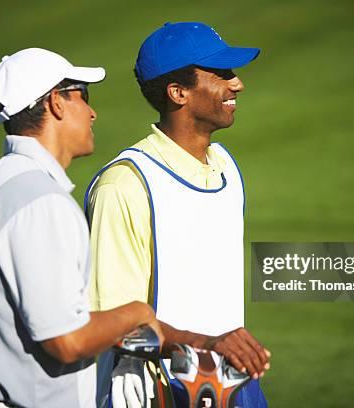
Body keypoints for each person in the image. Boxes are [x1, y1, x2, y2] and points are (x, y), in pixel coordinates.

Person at [0, 48, 162, 408]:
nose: (93, 112)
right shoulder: (42, 201)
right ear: (56, 103)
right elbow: (66, 341)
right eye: (84, 95)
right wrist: (137, 313)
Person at [85, 23, 269, 407]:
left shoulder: (225, 167)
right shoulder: (124, 186)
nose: (237, 85)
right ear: (178, 92)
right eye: (221, 74)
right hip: (157, 393)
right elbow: (107, 324)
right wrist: (202, 344)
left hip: (234, 386)